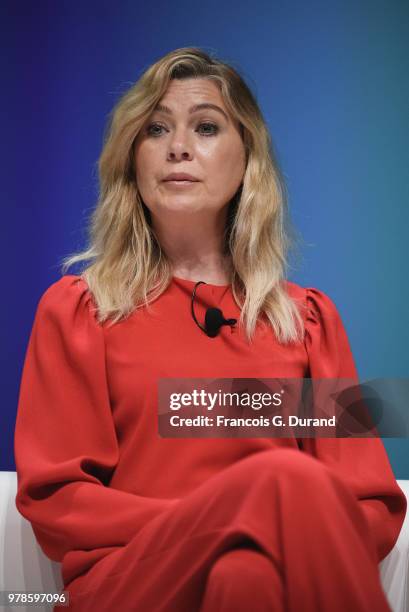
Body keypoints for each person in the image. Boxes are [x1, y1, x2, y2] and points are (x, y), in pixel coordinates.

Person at [14, 47, 406, 612]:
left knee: (245, 577)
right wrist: (231, 515)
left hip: (270, 574)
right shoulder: (81, 312)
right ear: (132, 157)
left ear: (247, 158)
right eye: (155, 128)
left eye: (205, 127)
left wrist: (251, 530)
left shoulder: (307, 322)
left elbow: (371, 506)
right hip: (131, 579)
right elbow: (59, 504)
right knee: (278, 486)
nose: (178, 147)